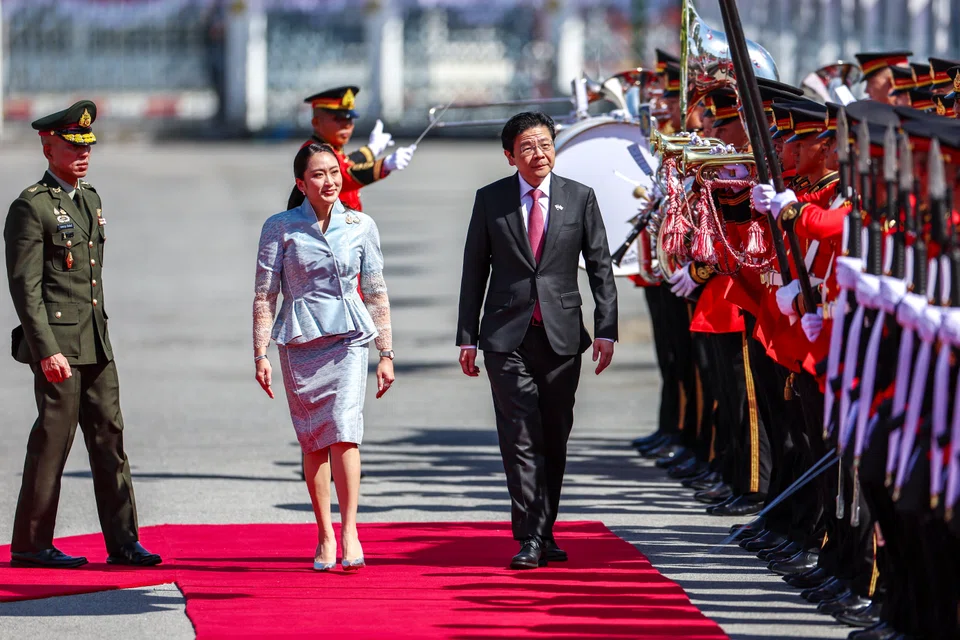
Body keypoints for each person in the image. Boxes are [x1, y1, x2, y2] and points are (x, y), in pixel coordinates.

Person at [456, 112, 618, 569]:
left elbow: (601, 266)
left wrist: (606, 328)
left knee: (554, 435)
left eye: (545, 144)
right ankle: (529, 536)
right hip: (505, 336)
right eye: (527, 147)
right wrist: (467, 337)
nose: (538, 154)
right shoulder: (491, 200)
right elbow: (474, 270)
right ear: (510, 156)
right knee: (520, 436)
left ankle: (545, 531)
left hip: (562, 336)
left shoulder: (579, 197)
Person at [4, 100, 161, 568]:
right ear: (48, 147)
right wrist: (45, 349)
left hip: (95, 340)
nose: (83, 153)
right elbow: (26, 288)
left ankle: (124, 542)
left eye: (87, 145)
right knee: (53, 441)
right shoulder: (31, 206)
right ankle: (32, 544)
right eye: (73, 145)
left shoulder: (89, 199)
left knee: (109, 437)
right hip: (58, 346)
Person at [254, 142, 394, 572]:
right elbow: (265, 294)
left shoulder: (361, 225)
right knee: (314, 438)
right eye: (318, 174)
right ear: (301, 183)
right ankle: (325, 534)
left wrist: (386, 352)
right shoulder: (280, 227)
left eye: (334, 172)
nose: (329, 181)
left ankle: (350, 530)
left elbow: (376, 291)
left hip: (350, 338)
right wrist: (260, 352)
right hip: (299, 342)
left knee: (345, 429)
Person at [287, 86, 416, 211]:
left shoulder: (331, 148)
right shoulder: (313, 152)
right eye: (339, 119)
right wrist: (385, 165)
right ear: (316, 122)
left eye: (350, 120)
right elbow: (345, 175)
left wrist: (372, 149)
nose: (347, 125)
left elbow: (347, 163)